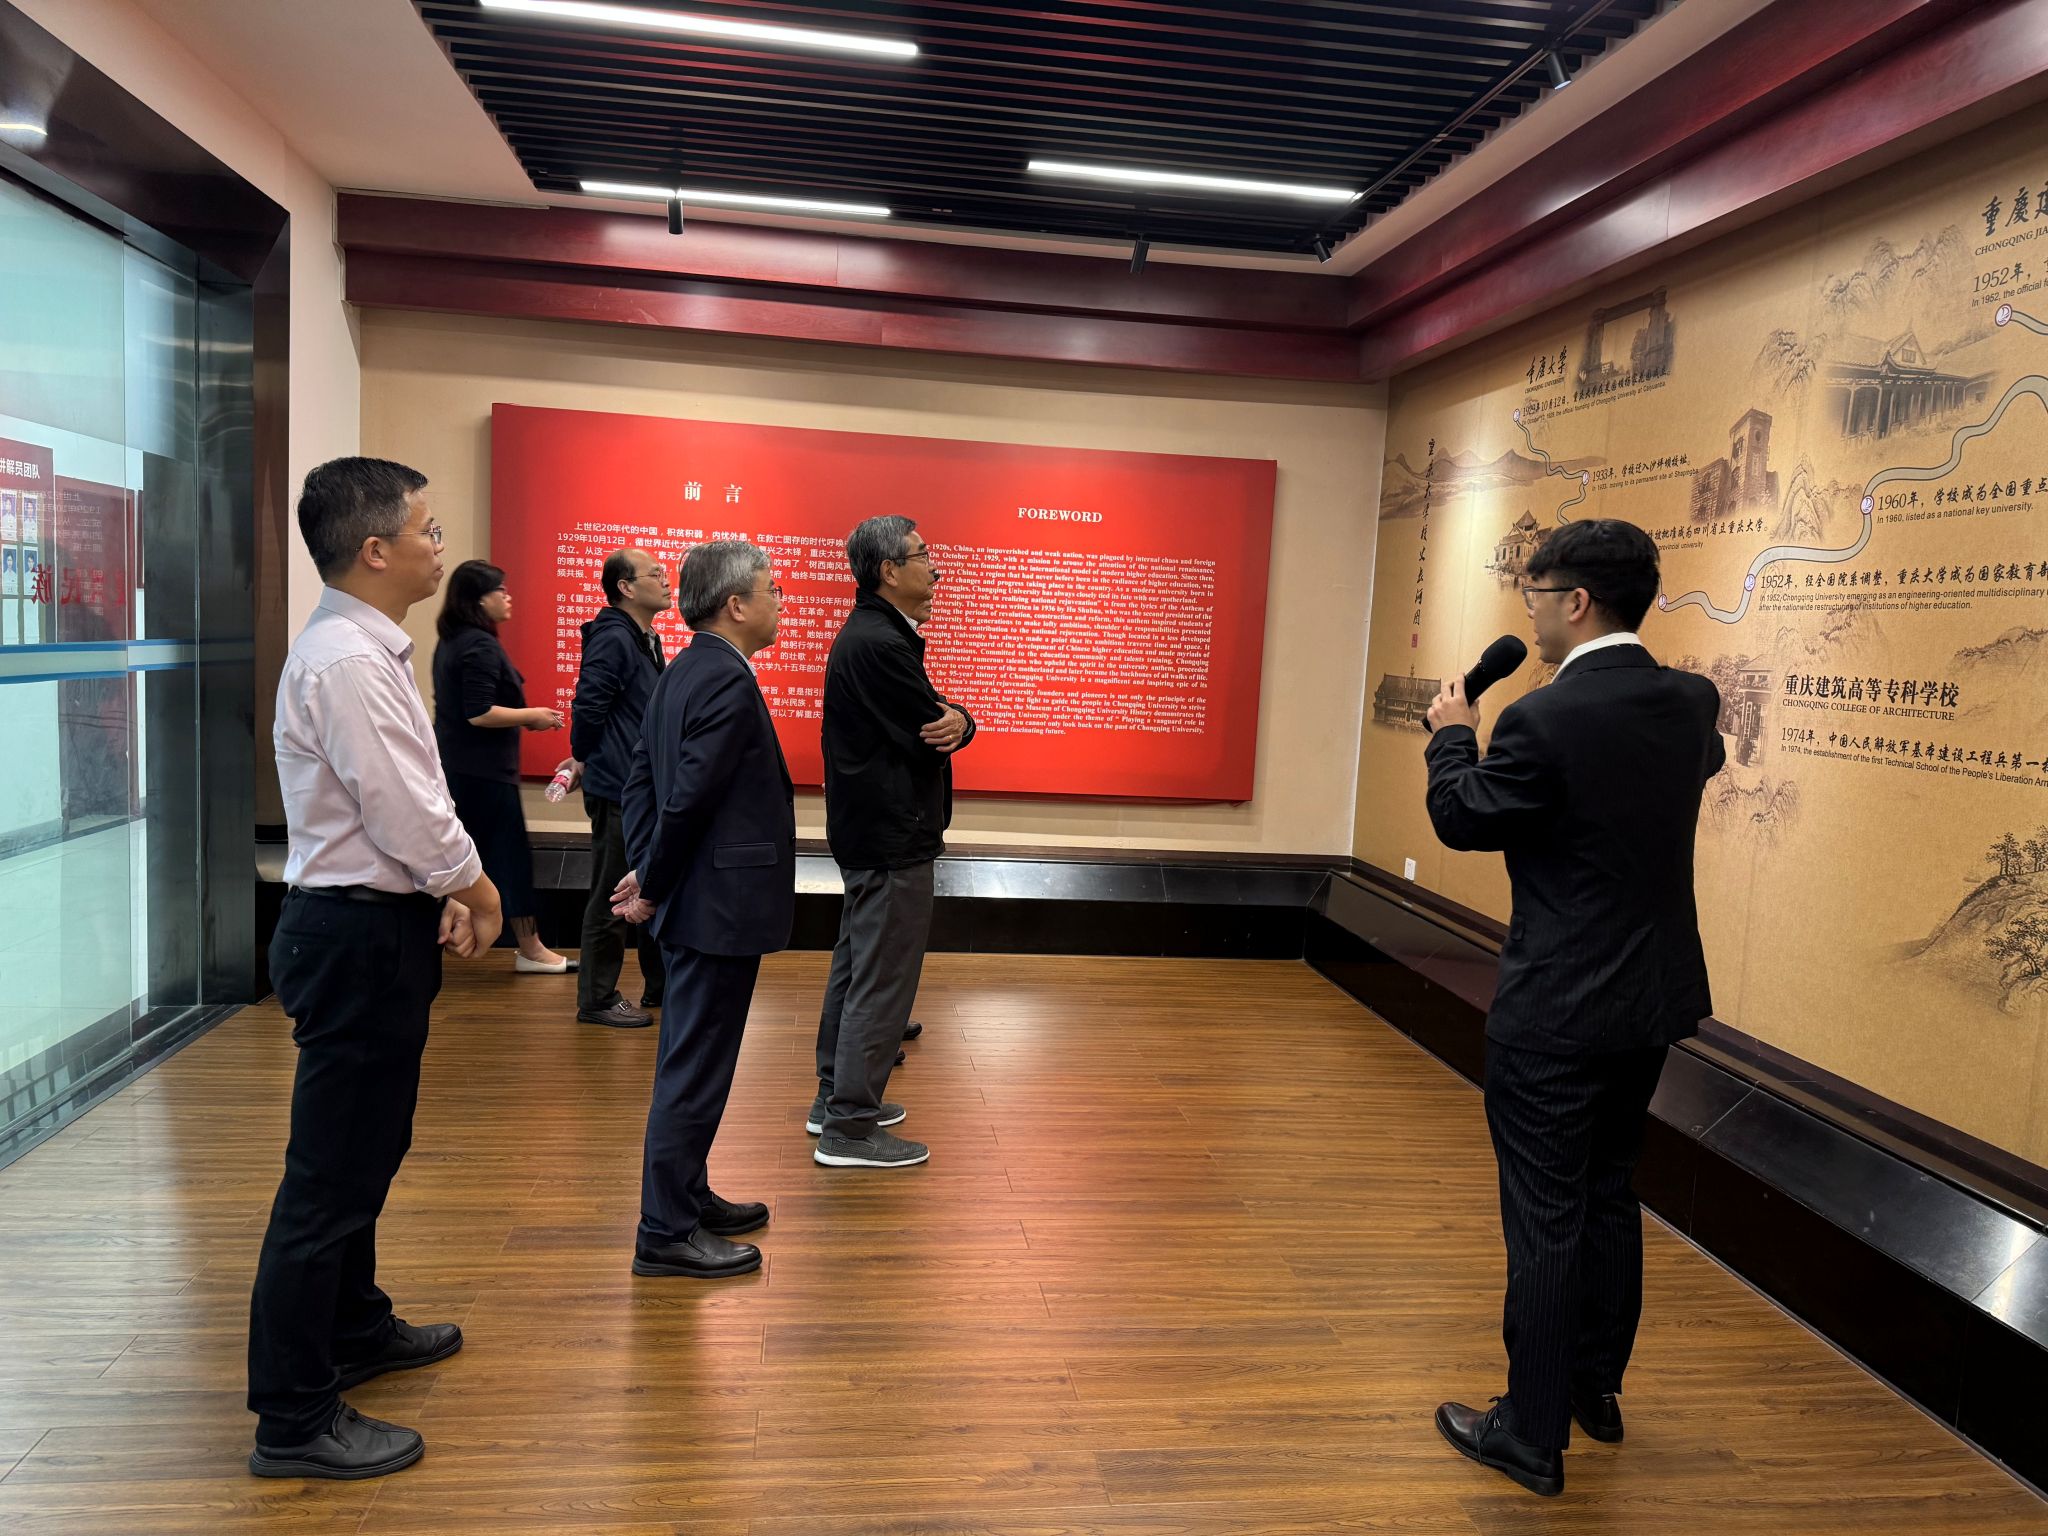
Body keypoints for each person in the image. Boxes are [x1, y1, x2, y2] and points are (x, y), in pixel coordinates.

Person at [1421, 518, 1725, 1498]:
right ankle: (1594, 1390)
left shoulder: (1540, 720)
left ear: (1577, 601)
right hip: (1648, 1004)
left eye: (1535, 596)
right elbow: (1700, 762)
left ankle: (1528, 1431)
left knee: (1546, 1216)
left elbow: (1462, 816)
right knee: (1606, 1192)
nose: (1531, 615)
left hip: (1555, 1008)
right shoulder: (1691, 702)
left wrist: (1450, 737)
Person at [247, 458, 504, 1481]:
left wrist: (440, 888)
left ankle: (353, 1325)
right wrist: (477, 889)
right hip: (351, 934)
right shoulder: (348, 662)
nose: (440, 547)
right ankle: (293, 1416)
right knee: (328, 1179)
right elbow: (404, 808)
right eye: (428, 531)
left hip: (368, 925)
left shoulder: (361, 648)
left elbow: (397, 806)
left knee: (365, 1151)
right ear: (374, 549)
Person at [610, 541, 793, 1278]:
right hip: (716, 907)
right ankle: (665, 1230)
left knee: (693, 1061)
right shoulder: (722, 679)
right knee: (694, 1068)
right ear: (736, 604)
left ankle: (685, 1194)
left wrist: (644, 868)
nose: (781, 602)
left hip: (697, 901)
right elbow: (687, 799)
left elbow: (640, 784)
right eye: (772, 590)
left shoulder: (685, 670)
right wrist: (652, 881)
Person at [810, 516, 974, 1169]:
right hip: (891, 837)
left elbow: (937, 717)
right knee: (882, 980)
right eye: (923, 556)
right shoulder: (879, 643)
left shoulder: (874, 636)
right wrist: (962, 721)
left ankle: (835, 1100)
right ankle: (850, 1126)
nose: (934, 569)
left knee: (858, 968)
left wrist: (960, 719)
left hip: (874, 834)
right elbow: (933, 726)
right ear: (888, 570)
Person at [431, 558, 575, 973]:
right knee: (510, 860)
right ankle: (532, 949)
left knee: (472, 857)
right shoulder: (478, 645)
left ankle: (501, 943)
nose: (508, 597)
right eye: (501, 590)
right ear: (479, 599)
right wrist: (533, 715)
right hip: (484, 773)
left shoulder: (455, 641)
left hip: (465, 769)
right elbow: (478, 712)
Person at [570, 548, 672, 1028]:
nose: (666, 580)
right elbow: (588, 705)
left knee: (648, 882)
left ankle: (659, 986)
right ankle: (597, 998)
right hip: (617, 786)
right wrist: (585, 757)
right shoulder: (613, 636)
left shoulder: (644, 638)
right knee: (614, 893)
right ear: (626, 588)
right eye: (655, 574)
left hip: (638, 787)